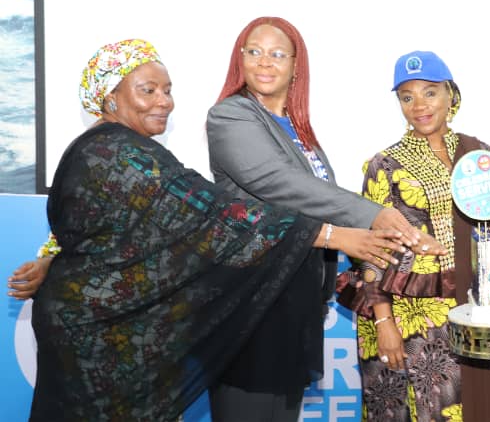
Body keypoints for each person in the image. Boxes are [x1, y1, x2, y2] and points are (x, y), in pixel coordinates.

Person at [27, 39, 404, 421]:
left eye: (168, 89)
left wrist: (49, 260)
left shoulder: (112, 147)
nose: (164, 101)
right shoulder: (118, 151)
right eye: (148, 90)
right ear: (109, 98)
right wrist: (332, 235)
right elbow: (209, 212)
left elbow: (98, 231)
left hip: (103, 326)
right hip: (98, 336)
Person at [204, 17, 447, 421]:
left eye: (278, 53)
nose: (265, 61)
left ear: (296, 65)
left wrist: (402, 234)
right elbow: (281, 184)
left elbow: (317, 201)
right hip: (251, 305)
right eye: (254, 51)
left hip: (293, 304)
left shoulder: (299, 132)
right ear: (240, 60)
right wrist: (376, 216)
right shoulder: (230, 117)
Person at [347, 50, 490, 421]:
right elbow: (372, 254)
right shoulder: (383, 165)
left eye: (430, 92)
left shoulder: (478, 153)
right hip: (408, 314)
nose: (419, 105)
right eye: (407, 96)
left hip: (469, 310)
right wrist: (384, 323)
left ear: (451, 94)